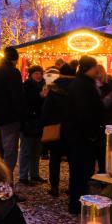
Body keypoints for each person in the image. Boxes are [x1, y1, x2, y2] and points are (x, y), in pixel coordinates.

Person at [63, 57, 107, 212]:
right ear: (90, 67)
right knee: (81, 172)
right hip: (82, 137)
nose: (98, 69)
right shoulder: (83, 85)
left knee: (79, 171)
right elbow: (85, 113)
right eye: (95, 66)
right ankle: (77, 204)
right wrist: (92, 135)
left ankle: (77, 203)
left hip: (78, 135)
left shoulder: (81, 83)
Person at [0, 47, 26, 181]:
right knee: (10, 154)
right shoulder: (13, 72)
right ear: (14, 59)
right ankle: (7, 187)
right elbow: (17, 97)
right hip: (10, 118)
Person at [41, 63, 75, 197]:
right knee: (73, 160)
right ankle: (72, 187)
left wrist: (44, 124)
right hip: (72, 129)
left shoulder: (54, 88)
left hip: (55, 129)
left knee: (54, 158)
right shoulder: (77, 88)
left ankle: (54, 187)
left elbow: (46, 110)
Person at [18, 65, 46, 185]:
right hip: (28, 122)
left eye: (40, 73)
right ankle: (23, 176)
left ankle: (34, 174)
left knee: (36, 150)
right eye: (36, 73)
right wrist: (40, 96)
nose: (38, 75)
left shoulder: (45, 85)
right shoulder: (27, 86)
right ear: (31, 74)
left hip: (39, 122)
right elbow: (26, 103)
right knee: (26, 150)